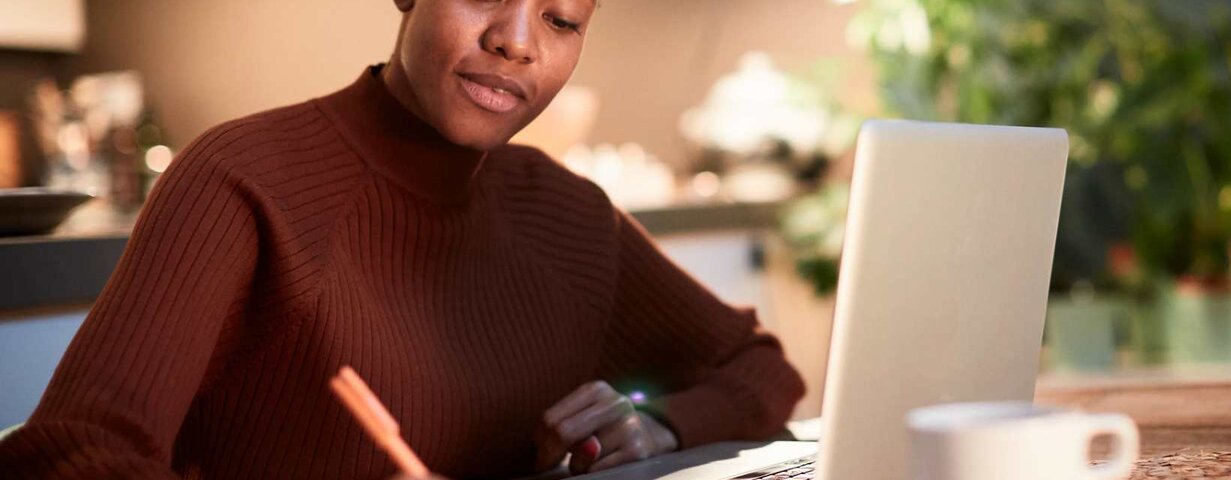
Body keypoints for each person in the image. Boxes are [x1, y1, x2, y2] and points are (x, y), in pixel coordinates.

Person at [0, 0, 805, 478]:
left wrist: (658, 424)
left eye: (562, 18)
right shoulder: (242, 179)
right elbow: (72, 451)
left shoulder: (568, 213)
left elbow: (760, 369)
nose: (518, 41)